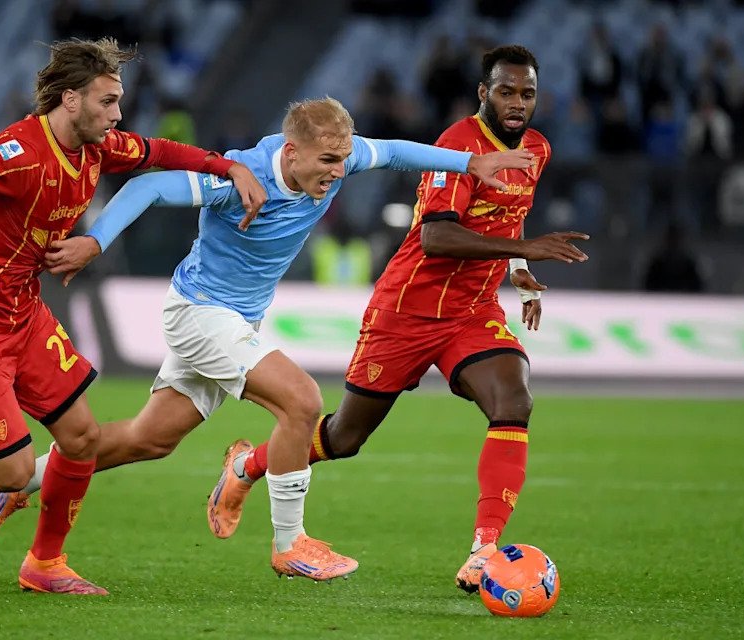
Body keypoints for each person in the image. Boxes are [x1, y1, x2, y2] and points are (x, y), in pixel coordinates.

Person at [0, 96, 535, 582]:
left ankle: (25, 483)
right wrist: (96, 241)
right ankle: (291, 545)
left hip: (236, 322)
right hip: (200, 314)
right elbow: (149, 186)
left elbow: (390, 152)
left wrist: (470, 162)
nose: (338, 172)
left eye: (343, 159)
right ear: (291, 153)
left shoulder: (337, 157)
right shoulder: (239, 178)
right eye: (327, 162)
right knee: (302, 401)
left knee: (150, 439)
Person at [0, 37, 266, 596]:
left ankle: (45, 564)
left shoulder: (97, 147)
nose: (117, 114)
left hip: (23, 314)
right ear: (71, 101)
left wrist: (229, 167)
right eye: (108, 101)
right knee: (9, 471)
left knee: (81, 438)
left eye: (118, 100)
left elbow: (160, 151)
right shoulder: (23, 150)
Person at [203, 46, 590, 593]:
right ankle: (248, 465)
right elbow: (436, 236)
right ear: (484, 93)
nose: (517, 103)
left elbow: (511, 214)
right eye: (505, 91)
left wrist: (520, 270)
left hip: (471, 311)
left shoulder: (537, 149)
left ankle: (483, 551)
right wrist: (528, 248)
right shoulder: (456, 147)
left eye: (527, 93)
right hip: (406, 310)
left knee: (514, 401)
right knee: (344, 437)